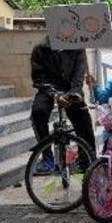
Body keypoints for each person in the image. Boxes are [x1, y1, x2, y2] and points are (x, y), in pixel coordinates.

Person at [30, 36, 96, 172]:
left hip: (70, 89)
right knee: (38, 112)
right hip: (48, 89)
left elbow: (78, 76)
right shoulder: (40, 49)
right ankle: (47, 158)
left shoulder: (78, 48)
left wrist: (74, 93)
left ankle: (87, 159)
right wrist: (55, 94)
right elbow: (38, 79)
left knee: (82, 117)